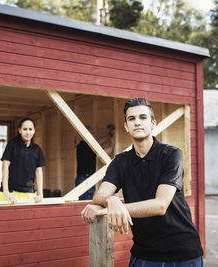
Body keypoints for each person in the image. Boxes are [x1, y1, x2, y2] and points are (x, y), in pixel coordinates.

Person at [81, 98, 203, 266]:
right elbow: (100, 195)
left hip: (182, 251)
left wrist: (111, 209)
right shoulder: (120, 162)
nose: (137, 122)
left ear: (153, 124)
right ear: (126, 127)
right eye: (131, 119)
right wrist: (111, 200)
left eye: (143, 117)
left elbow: (160, 205)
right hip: (144, 251)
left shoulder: (172, 155)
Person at [0, 117, 45, 204]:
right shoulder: (12, 145)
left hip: (28, 193)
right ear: (19, 130)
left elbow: (38, 171)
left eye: (30, 129)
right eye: (25, 129)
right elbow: (5, 166)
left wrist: (40, 194)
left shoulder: (37, 149)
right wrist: (6, 192)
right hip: (11, 192)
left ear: (34, 131)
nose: (28, 132)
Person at [75, 124, 115, 200]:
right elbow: (106, 152)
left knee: (83, 202)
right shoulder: (88, 147)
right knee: (86, 202)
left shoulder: (81, 145)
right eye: (91, 133)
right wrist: (112, 145)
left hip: (82, 177)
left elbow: (97, 142)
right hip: (86, 179)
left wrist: (108, 135)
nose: (93, 135)